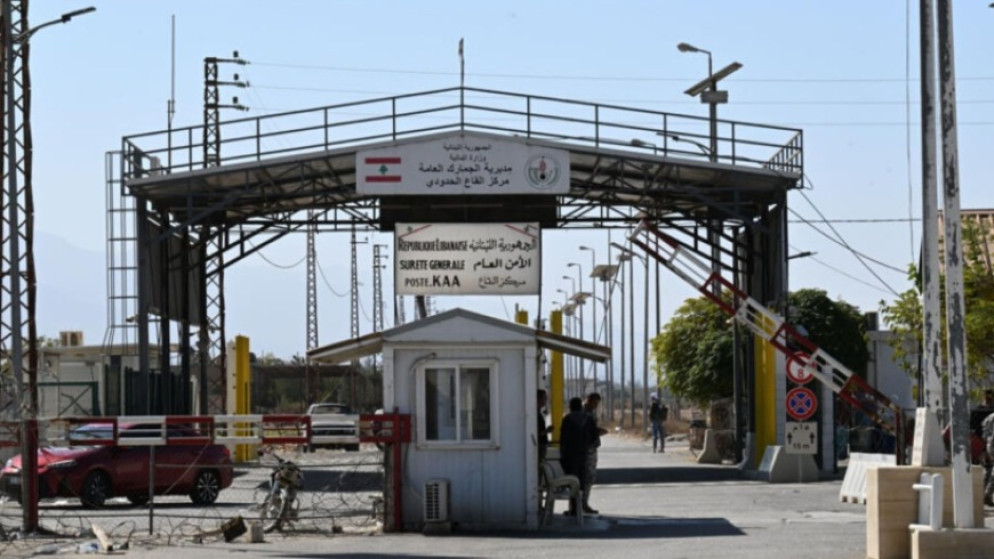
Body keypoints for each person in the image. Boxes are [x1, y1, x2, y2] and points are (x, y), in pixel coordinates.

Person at [559, 397, 594, 516]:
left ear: (570, 407)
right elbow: (593, 437)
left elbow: (563, 439)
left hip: (570, 455)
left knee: (572, 482)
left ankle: (573, 508)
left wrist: (562, 455)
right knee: (582, 481)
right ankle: (580, 506)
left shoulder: (567, 419)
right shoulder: (588, 419)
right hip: (584, 454)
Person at [582, 392, 609, 515]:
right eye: (594, 403)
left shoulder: (590, 412)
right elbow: (586, 431)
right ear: (588, 400)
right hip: (586, 449)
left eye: (597, 404)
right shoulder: (584, 413)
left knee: (589, 478)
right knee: (587, 477)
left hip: (591, 447)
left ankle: (582, 503)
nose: (595, 406)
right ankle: (582, 504)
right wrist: (597, 431)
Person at [537, 389, 551, 463]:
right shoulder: (536, 414)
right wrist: (547, 431)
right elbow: (537, 433)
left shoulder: (538, 412)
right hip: (539, 445)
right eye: (545, 398)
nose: (546, 400)